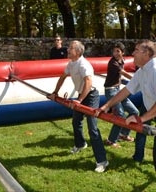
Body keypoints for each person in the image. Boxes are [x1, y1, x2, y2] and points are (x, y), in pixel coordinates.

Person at [47, 40, 108, 173]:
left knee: (92, 128)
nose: (68, 50)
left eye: (71, 48)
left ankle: (102, 161)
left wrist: (79, 100)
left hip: (91, 96)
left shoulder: (84, 64)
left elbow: (88, 82)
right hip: (82, 94)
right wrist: (55, 93)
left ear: (78, 52)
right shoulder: (71, 63)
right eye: (69, 48)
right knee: (76, 121)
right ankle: (81, 144)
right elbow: (62, 77)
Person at [99, 40, 156, 166]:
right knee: (141, 131)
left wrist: (142, 118)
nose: (132, 53)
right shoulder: (141, 71)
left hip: (151, 109)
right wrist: (106, 105)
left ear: (146, 53)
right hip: (149, 107)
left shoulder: (155, 69)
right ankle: (138, 157)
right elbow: (126, 90)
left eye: (136, 50)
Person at [104, 42, 139, 147]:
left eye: (118, 51)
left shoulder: (121, 61)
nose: (115, 53)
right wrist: (136, 80)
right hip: (111, 91)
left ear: (123, 52)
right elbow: (123, 73)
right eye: (114, 51)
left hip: (118, 90)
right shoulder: (113, 62)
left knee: (134, 112)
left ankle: (123, 134)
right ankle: (111, 140)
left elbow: (120, 77)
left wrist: (126, 82)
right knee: (120, 115)